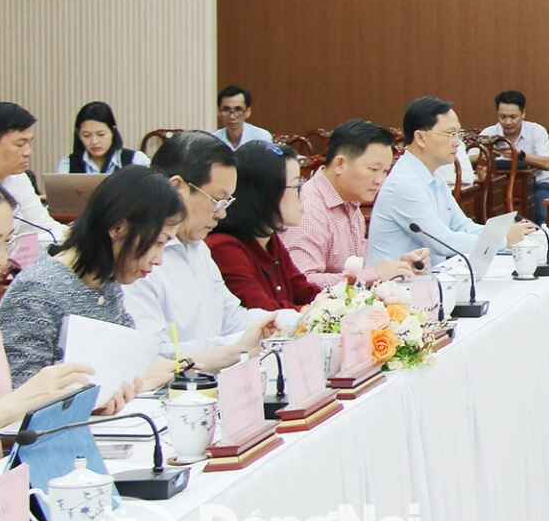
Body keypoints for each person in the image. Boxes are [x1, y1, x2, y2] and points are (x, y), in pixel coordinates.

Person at [0, 167, 102, 477]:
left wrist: (68, 406)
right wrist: (16, 404)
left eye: (8, 242)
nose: (2, 259)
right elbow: (1, 413)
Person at [0, 167, 196, 390]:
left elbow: (126, 364)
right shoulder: (36, 292)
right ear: (118, 227)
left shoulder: (107, 284)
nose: (159, 260)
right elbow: (20, 396)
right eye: (158, 243)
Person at [124, 132, 268, 364]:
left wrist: (277, 322)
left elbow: (231, 318)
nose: (222, 213)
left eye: (227, 202)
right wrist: (233, 348)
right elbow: (152, 355)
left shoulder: (198, 247)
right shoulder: (135, 256)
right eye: (216, 200)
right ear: (177, 188)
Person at [370, 97, 532, 266]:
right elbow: (442, 242)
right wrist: (503, 240)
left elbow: (462, 226)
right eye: (450, 134)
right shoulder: (403, 183)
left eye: (458, 134)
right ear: (420, 138)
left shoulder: (433, 176)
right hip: (393, 286)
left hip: (423, 280)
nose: (457, 143)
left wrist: (503, 231)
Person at [286, 120, 424, 288]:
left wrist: (398, 264)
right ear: (340, 164)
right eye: (373, 169)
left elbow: (356, 264)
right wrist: (375, 275)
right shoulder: (307, 210)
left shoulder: (349, 201)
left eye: (385, 171)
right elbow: (301, 283)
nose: (380, 180)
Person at [207, 143, 323, 313]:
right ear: (265, 192)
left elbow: (303, 291)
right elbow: (264, 313)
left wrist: (338, 303)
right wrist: (312, 312)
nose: (303, 196)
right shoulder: (224, 247)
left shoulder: (268, 237)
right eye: (296, 186)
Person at [0, 101, 65, 242]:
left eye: (29, 143)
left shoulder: (18, 176)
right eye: (20, 144)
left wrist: (78, 235)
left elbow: (44, 227)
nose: (28, 152)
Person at [477, 90, 549, 223]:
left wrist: (520, 155)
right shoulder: (488, 133)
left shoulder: (536, 131)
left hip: (538, 185)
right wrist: (486, 153)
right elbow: (470, 160)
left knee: (544, 216)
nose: (508, 122)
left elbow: (547, 163)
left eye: (513, 117)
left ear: (523, 114)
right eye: (503, 117)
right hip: (499, 188)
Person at [64, 101, 149, 174]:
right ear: (78, 135)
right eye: (86, 135)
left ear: (113, 131)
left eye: (101, 134)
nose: (94, 141)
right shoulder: (67, 164)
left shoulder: (137, 160)